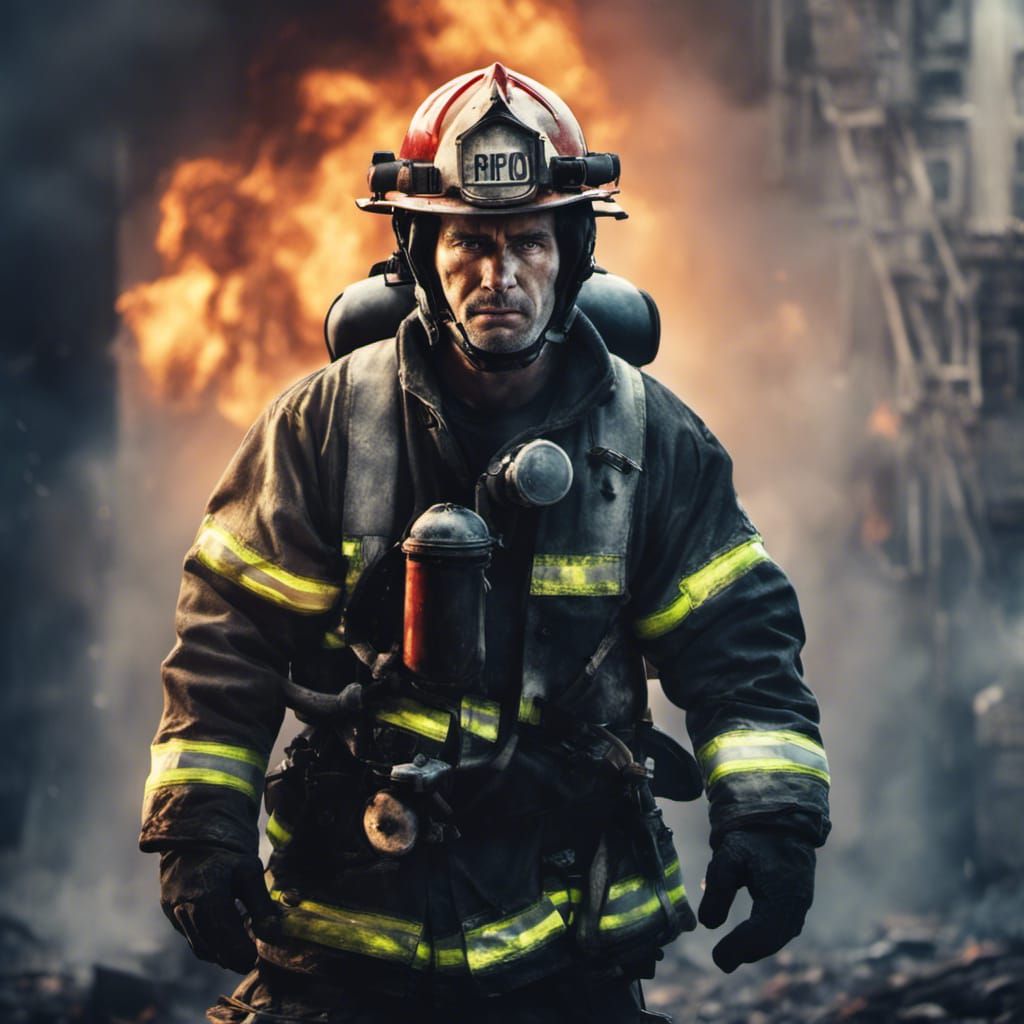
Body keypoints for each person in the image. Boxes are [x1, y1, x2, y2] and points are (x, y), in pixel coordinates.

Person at [141, 63, 830, 1024]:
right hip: (350, 926)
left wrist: (770, 816)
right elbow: (229, 636)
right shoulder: (323, 426)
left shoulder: (653, 440)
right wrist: (201, 831)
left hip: (569, 937)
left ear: (577, 251)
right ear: (420, 255)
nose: (499, 276)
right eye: (468, 241)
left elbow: (739, 640)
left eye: (529, 242)